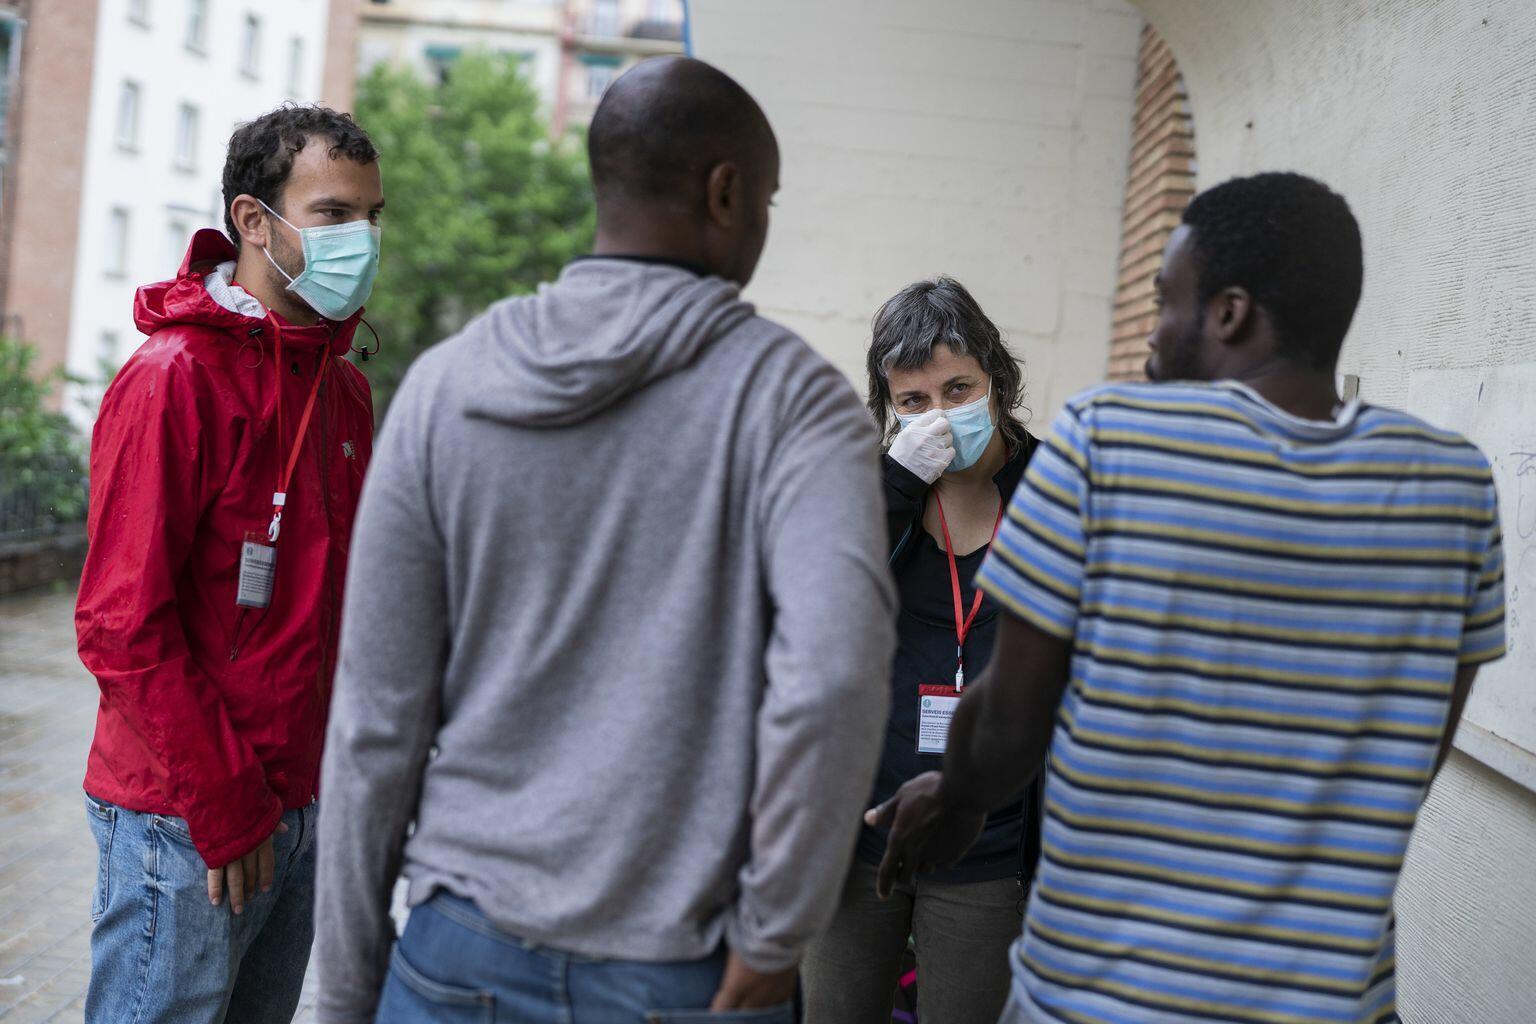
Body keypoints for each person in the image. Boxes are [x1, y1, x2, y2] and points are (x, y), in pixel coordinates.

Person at [313, 55, 896, 1024]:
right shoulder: (796, 403)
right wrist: (778, 928)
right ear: (726, 191)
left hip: (459, 954)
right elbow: (834, 674)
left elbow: (376, 718)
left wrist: (342, 992)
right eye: (768, 201)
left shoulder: (445, 392)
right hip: (689, 968)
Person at [873, 172, 1505, 1024]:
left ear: (1230, 313)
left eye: (1165, 301)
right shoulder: (1456, 485)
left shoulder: (1109, 442)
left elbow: (1014, 719)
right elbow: (1421, 744)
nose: (1149, 341)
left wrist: (951, 801)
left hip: (1107, 984)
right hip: (1328, 991)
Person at [75, 105, 383, 1023]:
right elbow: (119, 624)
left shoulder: (343, 386)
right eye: (333, 215)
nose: (361, 239)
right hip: (186, 819)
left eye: (374, 215)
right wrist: (226, 804)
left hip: (298, 809)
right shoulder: (173, 377)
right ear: (255, 221)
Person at [801, 278, 1042, 1023]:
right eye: (914, 400)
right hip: (860, 834)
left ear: (996, 383)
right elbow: (812, 598)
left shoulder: (1055, 491)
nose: (940, 415)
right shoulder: (875, 490)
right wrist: (896, 482)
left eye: (958, 388)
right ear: (889, 409)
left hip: (988, 846)